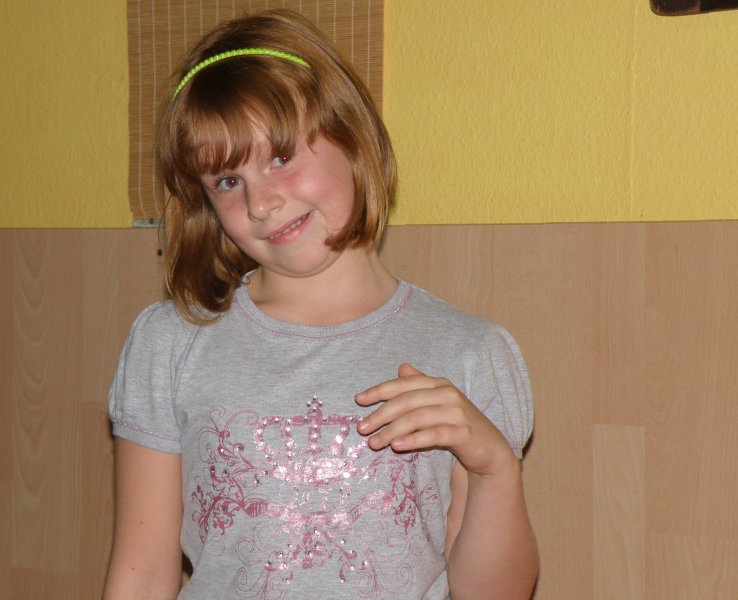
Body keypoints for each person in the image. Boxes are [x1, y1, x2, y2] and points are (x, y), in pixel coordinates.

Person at [103, 9, 538, 600]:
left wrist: (495, 467)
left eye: (280, 157)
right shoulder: (170, 342)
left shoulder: (471, 353)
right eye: (228, 181)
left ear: (351, 135)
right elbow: (142, 575)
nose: (261, 202)